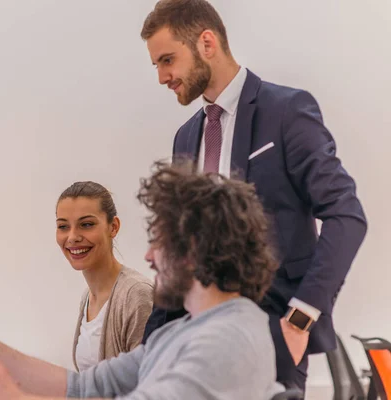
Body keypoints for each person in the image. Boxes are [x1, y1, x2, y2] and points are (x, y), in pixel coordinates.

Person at [139, 0, 368, 390]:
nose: (162, 76)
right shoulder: (186, 136)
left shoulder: (286, 111)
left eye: (167, 60)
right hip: (191, 336)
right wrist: (152, 343)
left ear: (206, 43)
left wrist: (299, 319)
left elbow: (346, 215)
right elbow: (182, 246)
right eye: (156, 65)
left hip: (272, 334)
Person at [0, 161, 282, 400]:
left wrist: (14, 397)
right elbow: (84, 387)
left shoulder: (224, 342)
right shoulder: (187, 331)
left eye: (160, 241)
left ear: (193, 247)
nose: (149, 255)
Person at [56, 181, 153, 370]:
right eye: (63, 226)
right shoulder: (87, 297)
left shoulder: (136, 295)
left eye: (86, 224)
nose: (73, 236)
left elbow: (147, 384)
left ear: (113, 227)